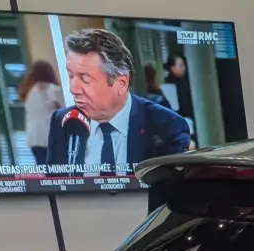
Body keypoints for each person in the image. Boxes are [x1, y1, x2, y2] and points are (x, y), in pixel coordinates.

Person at [44, 28, 190, 175]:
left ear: (121, 83)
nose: (73, 88)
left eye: (85, 78)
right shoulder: (63, 121)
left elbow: (169, 192)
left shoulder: (167, 126)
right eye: (71, 76)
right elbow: (54, 187)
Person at [17, 60, 63, 166]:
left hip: (34, 139)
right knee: (59, 170)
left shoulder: (28, 91)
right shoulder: (53, 90)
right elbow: (67, 110)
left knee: (44, 172)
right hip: (50, 138)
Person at [162, 53, 196, 143]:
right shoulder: (168, 85)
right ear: (172, 68)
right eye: (180, 66)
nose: (184, 68)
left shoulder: (189, 81)